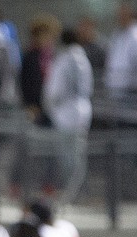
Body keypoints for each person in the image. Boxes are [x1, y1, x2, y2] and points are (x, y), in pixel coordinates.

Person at [42, 28, 94, 201]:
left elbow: (56, 89)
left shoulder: (65, 59)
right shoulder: (83, 59)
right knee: (78, 154)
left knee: (69, 156)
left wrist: (49, 103)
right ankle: (78, 191)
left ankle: (74, 192)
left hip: (66, 113)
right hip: (81, 111)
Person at [104, 1, 137, 101]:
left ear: (130, 14)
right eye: (119, 14)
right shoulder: (116, 34)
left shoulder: (135, 35)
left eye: (123, 14)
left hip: (130, 88)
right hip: (114, 88)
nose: (120, 17)